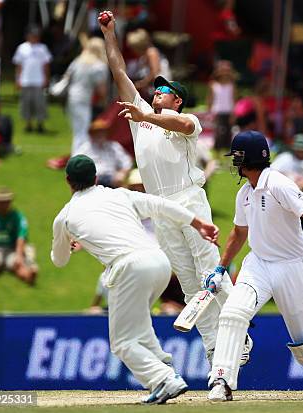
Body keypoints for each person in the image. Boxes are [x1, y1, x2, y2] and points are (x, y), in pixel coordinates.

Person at [98, 11, 251, 368]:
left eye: (163, 91)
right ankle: (216, 348)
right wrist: (109, 34)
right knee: (187, 282)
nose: (156, 93)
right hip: (159, 206)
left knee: (210, 272)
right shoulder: (141, 115)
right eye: (155, 91)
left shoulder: (186, 120)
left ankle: (239, 334)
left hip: (188, 198)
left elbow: (180, 124)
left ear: (177, 98)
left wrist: (145, 117)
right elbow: (119, 71)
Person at [51, 155, 219, 404]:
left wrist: (69, 244)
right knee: (139, 326)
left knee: (121, 342)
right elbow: (160, 205)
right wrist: (198, 222)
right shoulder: (119, 194)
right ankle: (164, 365)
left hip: (129, 268)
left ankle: (163, 378)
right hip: (159, 262)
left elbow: (59, 260)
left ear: (68, 181)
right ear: (96, 177)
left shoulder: (64, 217)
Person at [206, 131, 303, 401]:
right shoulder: (244, 193)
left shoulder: (279, 184)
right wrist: (220, 268)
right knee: (232, 315)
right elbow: (238, 233)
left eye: (236, 157)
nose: (234, 163)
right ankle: (221, 381)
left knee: (302, 336)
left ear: (245, 158)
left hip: (291, 266)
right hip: (257, 265)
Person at [0, 188, 37, 285]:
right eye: (1, 202)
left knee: (19, 266)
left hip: (12, 249)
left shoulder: (17, 216)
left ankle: (30, 275)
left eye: (6, 202)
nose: (3, 205)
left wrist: (19, 255)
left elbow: (21, 236)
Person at [61, 37, 109, 155]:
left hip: (71, 97)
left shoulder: (78, 61)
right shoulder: (99, 66)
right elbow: (101, 89)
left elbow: (67, 77)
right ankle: (78, 157)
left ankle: (78, 156)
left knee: (78, 130)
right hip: (83, 99)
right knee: (82, 132)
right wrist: (105, 102)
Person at [12, 25, 52, 133]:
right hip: (25, 80)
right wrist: (17, 79)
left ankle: (40, 124)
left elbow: (46, 65)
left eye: (36, 36)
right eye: (32, 35)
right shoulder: (22, 48)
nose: (34, 37)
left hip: (38, 80)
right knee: (26, 103)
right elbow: (19, 65)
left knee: (39, 104)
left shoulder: (42, 48)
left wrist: (46, 78)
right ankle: (28, 124)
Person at [75, 119, 132, 188]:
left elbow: (126, 161)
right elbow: (76, 164)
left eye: (102, 132)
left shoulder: (113, 146)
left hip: (112, 178)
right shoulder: (85, 148)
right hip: (93, 179)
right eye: (97, 132)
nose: (100, 135)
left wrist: (122, 173)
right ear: (92, 134)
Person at [207, 60, 236, 149]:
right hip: (217, 111)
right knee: (219, 131)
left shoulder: (231, 85)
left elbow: (233, 99)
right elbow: (210, 99)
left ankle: (227, 148)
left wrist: (233, 113)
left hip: (228, 111)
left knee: (228, 131)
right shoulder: (213, 85)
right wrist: (209, 111)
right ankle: (217, 148)